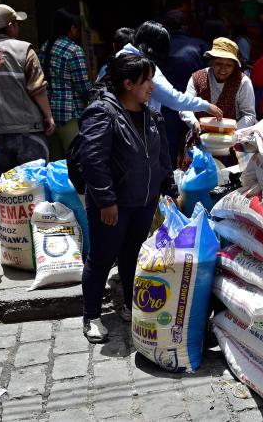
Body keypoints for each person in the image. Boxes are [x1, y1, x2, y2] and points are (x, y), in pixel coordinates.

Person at [78, 53, 174, 343]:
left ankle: (128, 306)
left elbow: (162, 157)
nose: (152, 87)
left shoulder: (151, 114)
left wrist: (169, 190)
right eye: (146, 81)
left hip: (143, 202)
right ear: (128, 83)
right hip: (113, 206)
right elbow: (93, 160)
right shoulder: (102, 112)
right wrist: (106, 201)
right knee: (102, 259)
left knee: (133, 255)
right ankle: (91, 316)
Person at [0, 4, 55, 177]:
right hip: (28, 130)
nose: (18, 26)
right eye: (16, 22)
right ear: (10, 26)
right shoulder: (24, 50)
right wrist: (48, 117)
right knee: (34, 185)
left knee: (8, 188)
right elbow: (37, 88)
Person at [39, 9, 91, 159]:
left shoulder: (44, 47)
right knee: (76, 161)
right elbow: (83, 86)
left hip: (49, 114)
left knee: (55, 163)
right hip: (69, 115)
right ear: (72, 28)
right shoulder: (73, 50)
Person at [180, 37, 257, 133]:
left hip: (233, 138)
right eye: (218, 63)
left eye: (228, 65)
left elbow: (249, 115)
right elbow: (185, 106)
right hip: (200, 135)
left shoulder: (243, 82)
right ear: (211, 62)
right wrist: (194, 123)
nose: (223, 69)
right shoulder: (197, 78)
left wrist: (231, 130)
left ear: (234, 66)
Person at [162, 10, 209, 165]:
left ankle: (170, 181)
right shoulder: (200, 45)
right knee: (199, 142)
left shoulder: (162, 47)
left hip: (168, 104)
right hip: (195, 104)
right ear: (186, 26)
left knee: (170, 144)